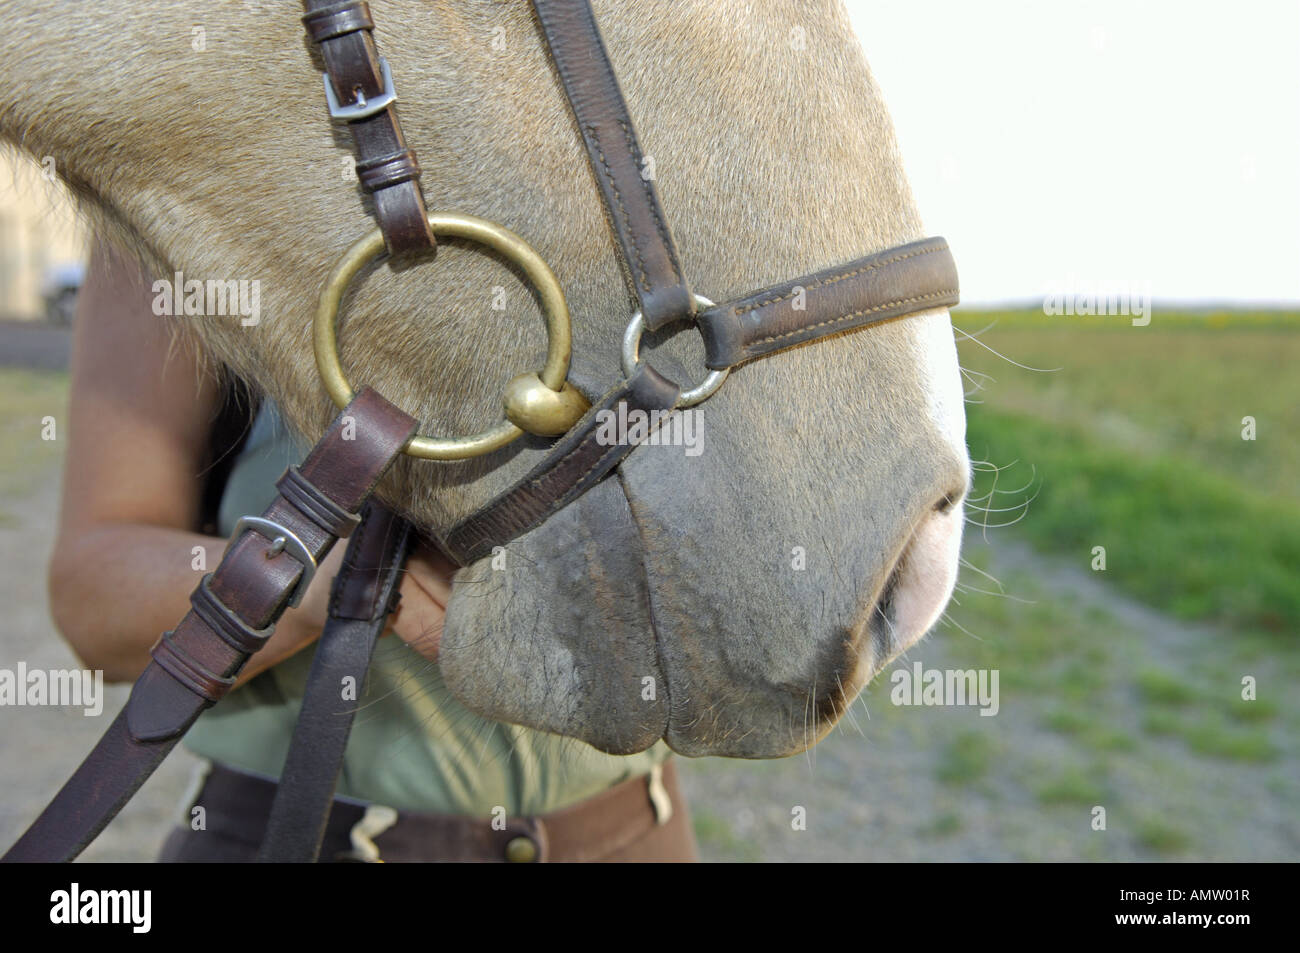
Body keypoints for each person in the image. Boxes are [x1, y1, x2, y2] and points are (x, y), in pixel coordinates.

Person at [49, 233, 697, 862]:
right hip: (304, 838)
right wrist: (338, 580)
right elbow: (94, 598)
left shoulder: (649, 184)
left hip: (637, 834)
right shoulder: (177, 194)